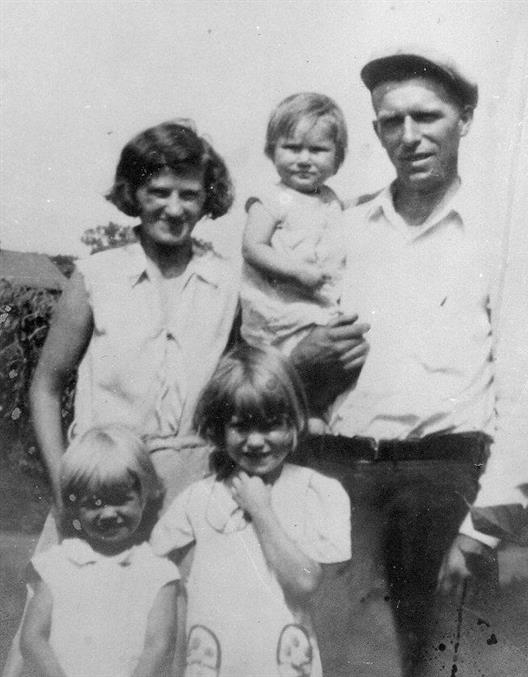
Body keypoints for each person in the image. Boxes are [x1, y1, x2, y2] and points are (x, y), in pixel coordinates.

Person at [297, 48, 528, 677]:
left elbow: (527, 396)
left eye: (427, 116)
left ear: (465, 119)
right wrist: (301, 360)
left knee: (436, 666)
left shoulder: (503, 236)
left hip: (443, 482)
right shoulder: (345, 228)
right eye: (391, 121)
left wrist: (482, 528)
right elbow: (287, 354)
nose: (408, 136)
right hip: (340, 477)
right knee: (329, 661)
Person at [3, 119, 238, 677]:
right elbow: (45, 386)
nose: (174, 208)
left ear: (208, 198)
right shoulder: (97, 276)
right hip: (99, 486)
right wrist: (64, 485)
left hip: (191, 487)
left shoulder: (228, 282)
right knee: (72, 633)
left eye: (189, 193)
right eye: (159, 191)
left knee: (173, 640)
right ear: (133, 193)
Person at [150, 345, 352, 677]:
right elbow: (177, 588)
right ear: (220, 428)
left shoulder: (315, 491)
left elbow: (306, 581)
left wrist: (261, 510)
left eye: (271, 425)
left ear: (295, 422)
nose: (255, 441)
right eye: (241, 427)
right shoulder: (199, 500)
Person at [20, 425, 179, 677]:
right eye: (94, 503)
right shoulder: (58, 565)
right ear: (74, 505)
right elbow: (32, 638)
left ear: (144, 495)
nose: (108, 513)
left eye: (120, 499)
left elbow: (158, 646)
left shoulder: (157, 571)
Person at [240, 92, 348, 359]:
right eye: (292, 148)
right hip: (278, 313)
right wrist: (296, 271)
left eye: (317, 150)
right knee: (280, 369)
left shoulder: (329, 199)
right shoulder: (272, 198)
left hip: (315, 307)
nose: (304, 159)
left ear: (337, 158)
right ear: (272, 150)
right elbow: (253, 247)